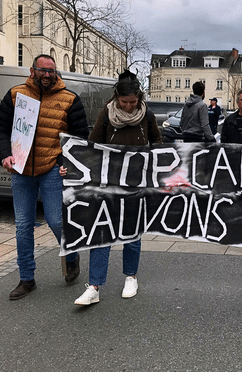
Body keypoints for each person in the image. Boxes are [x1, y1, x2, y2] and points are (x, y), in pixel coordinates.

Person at [0, 54, 89, 300]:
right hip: (21, 170)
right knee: (23, 226)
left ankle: (71, 255)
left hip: (51, 170)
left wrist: (63, 162)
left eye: (51, 71)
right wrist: (5, 154)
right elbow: (1, 127)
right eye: (42, 70)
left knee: (56, 221)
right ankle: (27, 278)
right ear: (32, 70)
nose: (47, 75)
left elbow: (79, 138)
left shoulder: (69, 99)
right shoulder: (16, 95)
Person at [74, 70, 162, 306]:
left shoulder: (147, 115)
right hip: (109, 183)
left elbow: (159, 143)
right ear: (116, 99)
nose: (129, 107)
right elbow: (92, 145)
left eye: (133, 102)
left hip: (136, 183)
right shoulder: (106, 114)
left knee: (132, 232)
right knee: (102, 232)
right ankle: (94, 286)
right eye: (124, 102)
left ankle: (131, 277)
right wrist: (74, 167)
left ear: (139, 98)